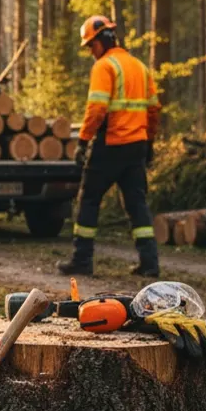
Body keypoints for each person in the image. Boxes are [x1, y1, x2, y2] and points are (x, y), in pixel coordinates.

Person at [57, 16, 162, 278]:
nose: (91, 52)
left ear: (102, 41)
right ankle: (149, 263)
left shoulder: (105, 67)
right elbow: (153, 109)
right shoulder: (139, 66)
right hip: (136, 145)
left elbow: (97, 108)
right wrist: (149, 142)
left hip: (111, 145)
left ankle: (82, 259)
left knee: (89, 200)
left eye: (91, 46)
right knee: (137, 203)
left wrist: (83, 140)